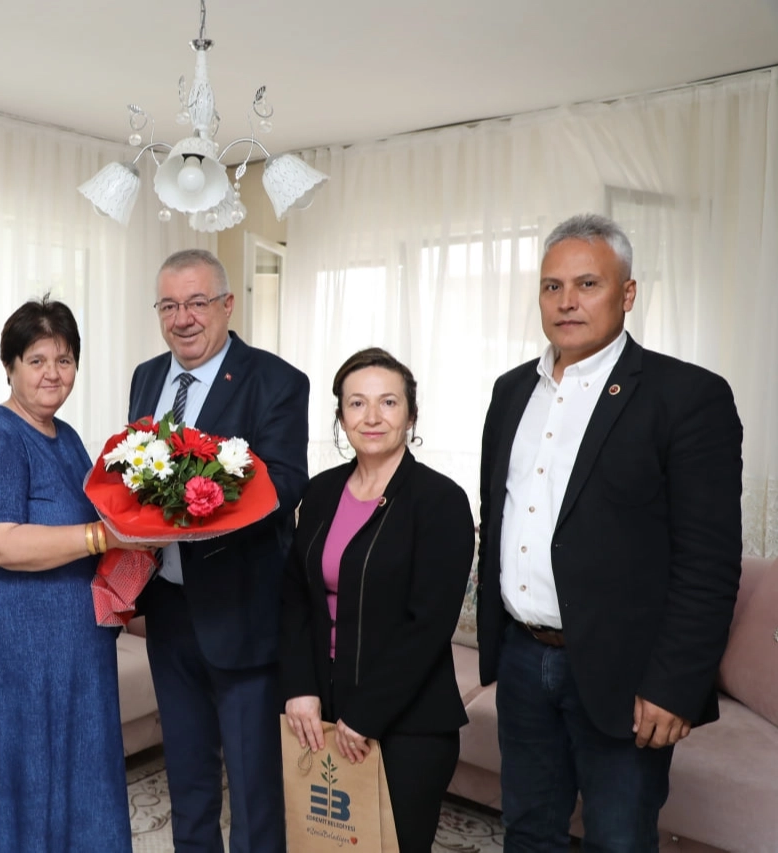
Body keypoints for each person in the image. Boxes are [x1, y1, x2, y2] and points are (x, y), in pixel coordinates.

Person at [476, 213, 743, 851]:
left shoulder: (687, 396)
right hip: (522, 657)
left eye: (587, 284)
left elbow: (708, 563)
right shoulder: (511, 392)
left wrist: (674, 686)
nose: (566, 301)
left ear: (627, 294)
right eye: (552, 286)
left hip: (625, 672)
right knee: (527, 830)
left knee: (619, 840)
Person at [0, 296, 151, 853]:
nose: (53, 373)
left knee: (73, 784)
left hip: (69, 654)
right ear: (10, 366)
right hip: (4, 656)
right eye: (37, 360)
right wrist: (104, 538)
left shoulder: (66, 437)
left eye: (64, 360)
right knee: (13, 790)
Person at [128, 249, 309, 853]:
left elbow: (286, 484)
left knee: (254, 791)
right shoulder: (146, 376)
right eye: (169, 305)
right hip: (168, 607)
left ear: (228, 305)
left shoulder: (276, 380)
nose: (183, 318)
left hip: (241, 613)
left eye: (197, 302)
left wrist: (199, 496)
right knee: (187, 779)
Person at [280, 347, 474, 853]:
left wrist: (366, 713)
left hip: (409, 721)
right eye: (356, 403)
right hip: (320, 710)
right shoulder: (320, 492)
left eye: (388, 402)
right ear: (340, 416)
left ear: (411, 415)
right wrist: (299, 687)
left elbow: (428, 625)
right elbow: (296, 597)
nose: (371, 417)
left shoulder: (441, 501)